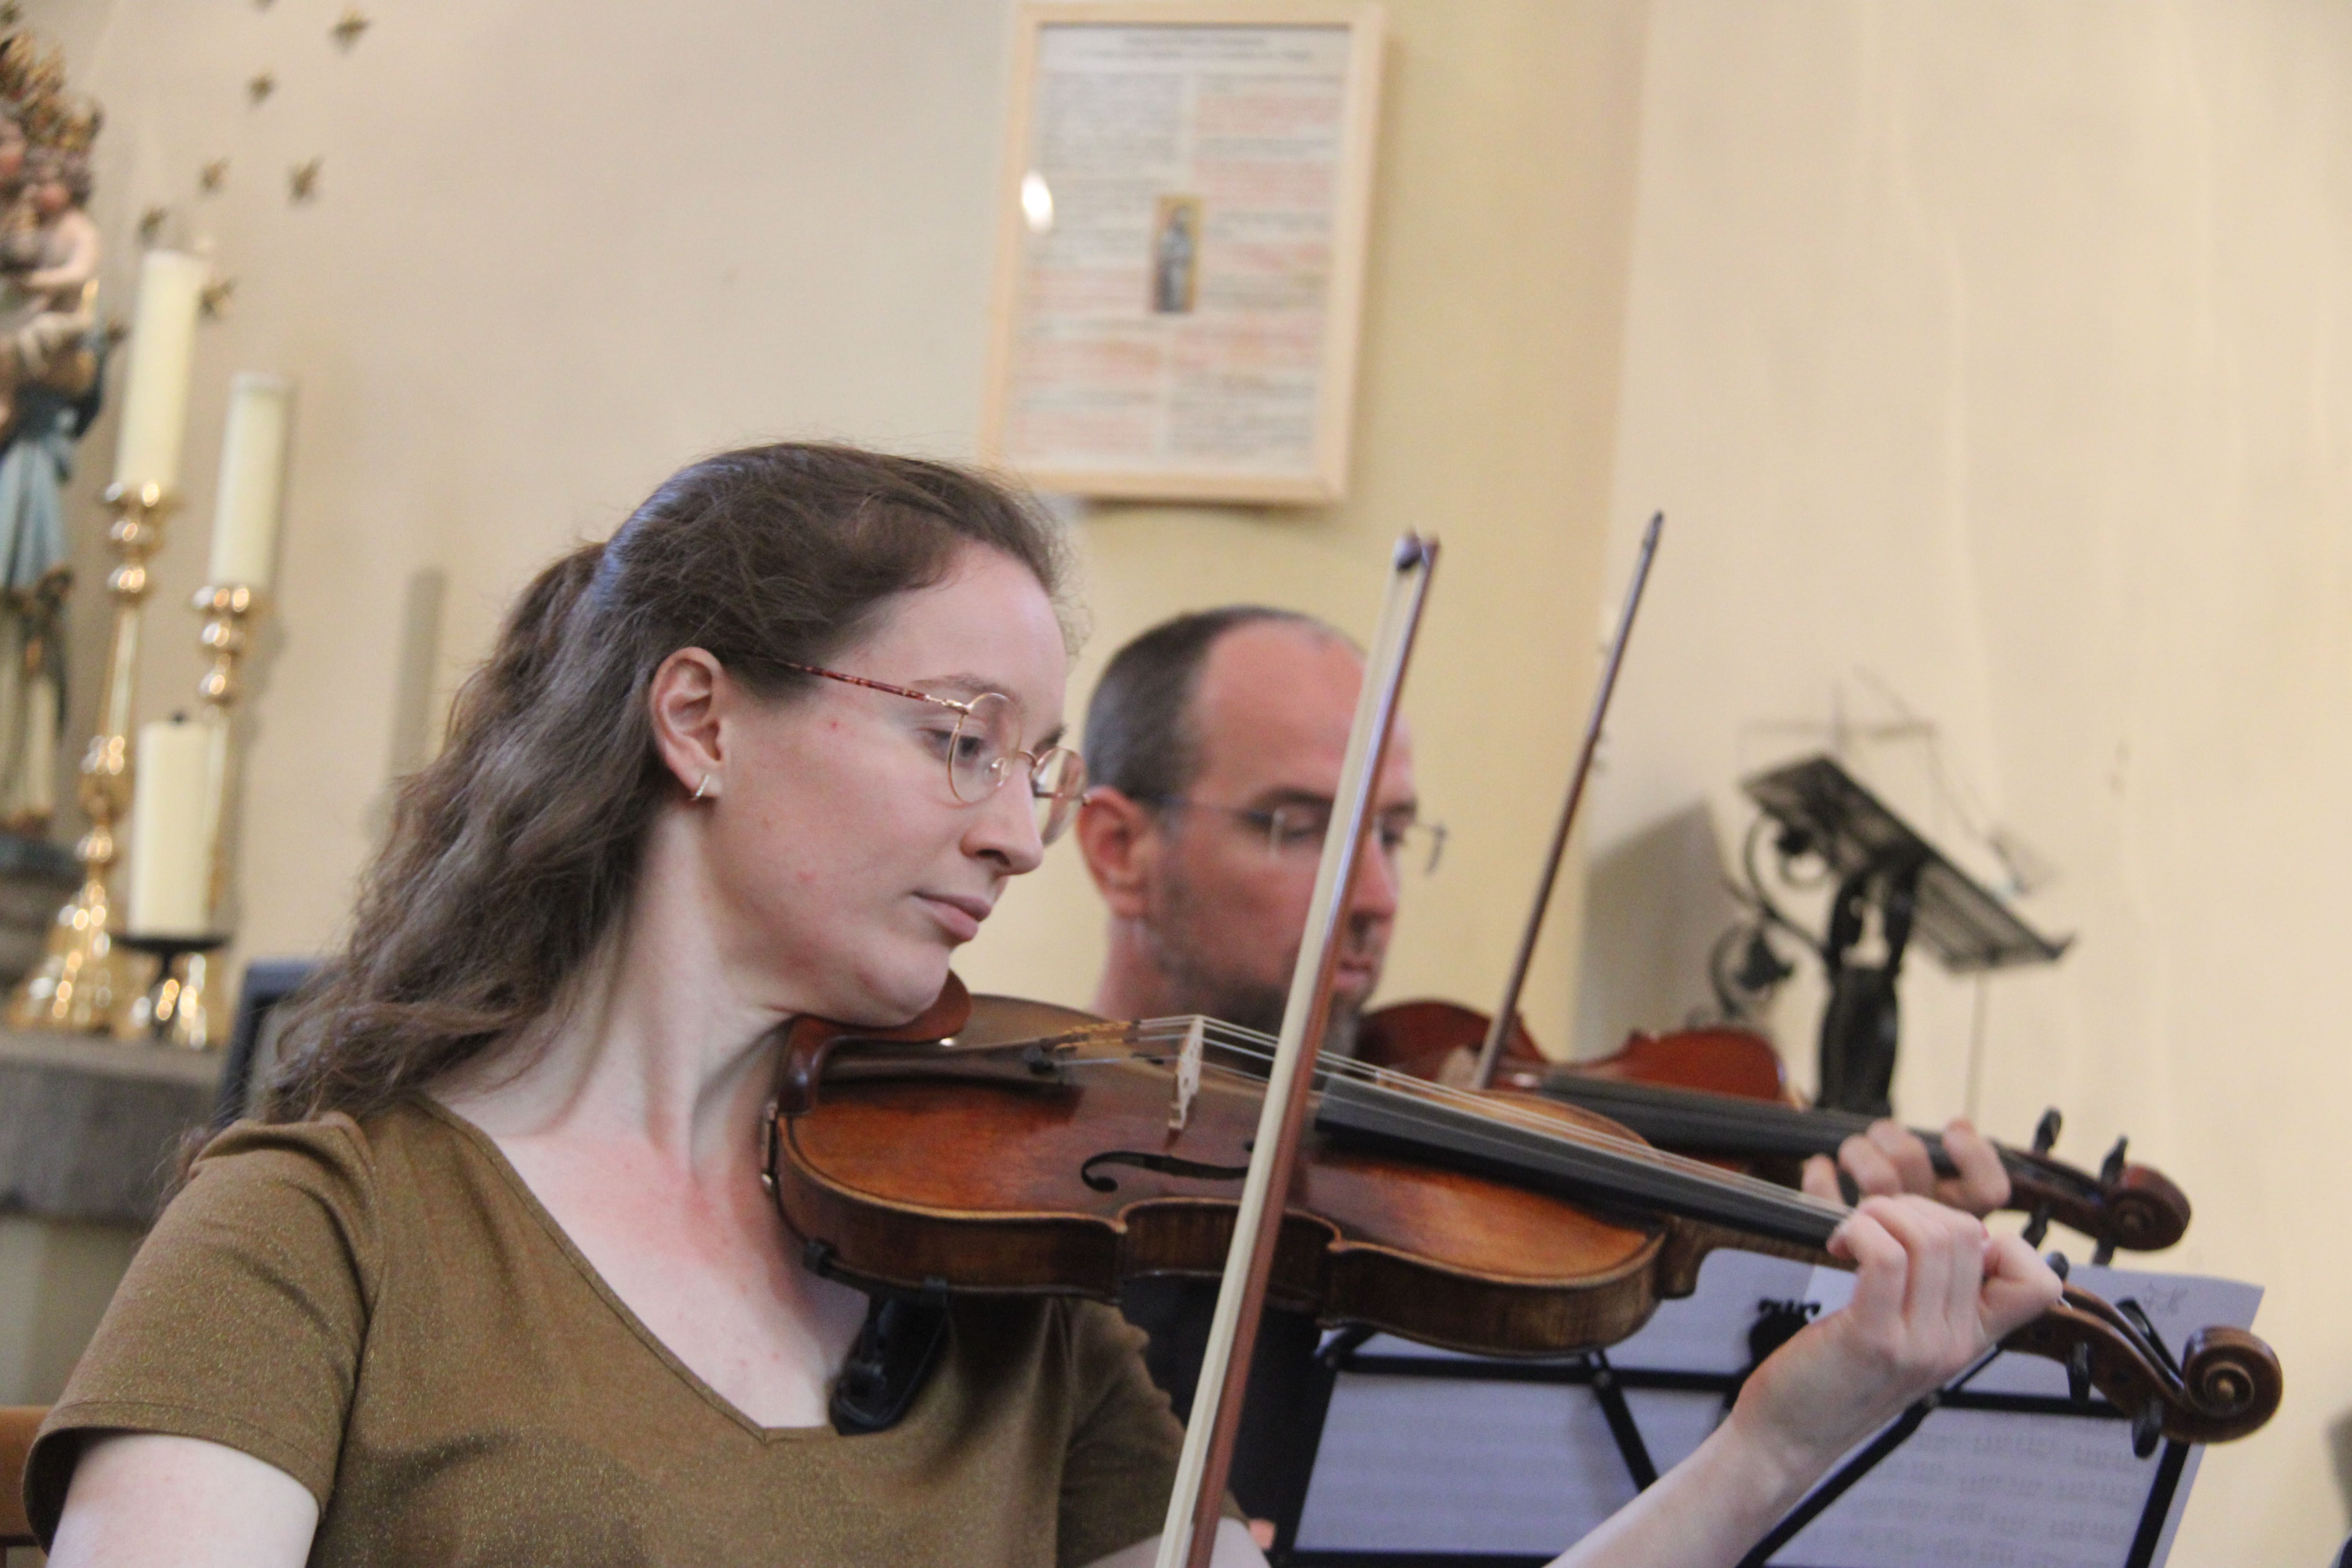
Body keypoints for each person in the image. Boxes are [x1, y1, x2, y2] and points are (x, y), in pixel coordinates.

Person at [25, 445, 2058, 1568]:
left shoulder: (1004, 1289)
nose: (1016, 830)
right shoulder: (324, 1232)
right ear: (702, 719)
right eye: (960, 738)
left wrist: (1782, 1441)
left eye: (1037, 762)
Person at [1076, 606, 2021, 1534]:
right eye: (1301, 827)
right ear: (1119, 849)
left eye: (1393, 834)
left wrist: (1842, 1278)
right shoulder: (1040, 1220)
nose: (1377, 895)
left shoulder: (1430, 1197)